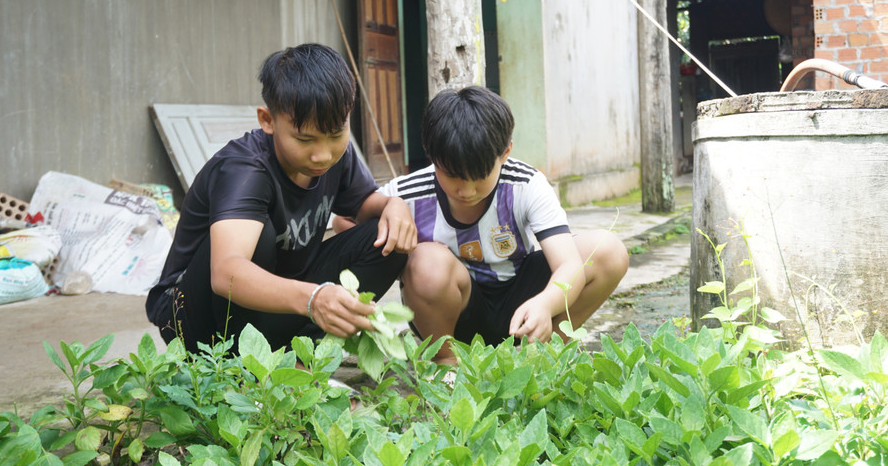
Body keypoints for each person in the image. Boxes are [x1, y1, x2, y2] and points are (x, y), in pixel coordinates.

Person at [145, 43, 417, 353]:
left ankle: (303, 354)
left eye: (336, 134)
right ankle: (244, 368)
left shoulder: (335, 156)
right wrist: (314, 298)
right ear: (267, 120)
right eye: (305, 139)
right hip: (194, 317)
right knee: (257, 236)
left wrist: (393, 206)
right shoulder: (245, 170)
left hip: (275, 303)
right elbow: (225, 273)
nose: (322, 155)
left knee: (386, 240)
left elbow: (365, 207)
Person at [381, 86, 628, 364]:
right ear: (432, 156)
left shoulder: (525, 183)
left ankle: (545, 354)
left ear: (505, 152)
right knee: (425, 261)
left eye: (480, 177)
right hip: (455, 315)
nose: (467, 191)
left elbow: (569, 264)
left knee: (607, 251)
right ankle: (446, 364)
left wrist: (547, 303)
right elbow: (348, 222)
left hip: (522, 302)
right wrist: (389, 210)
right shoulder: (406, 193)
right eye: (453, 176)